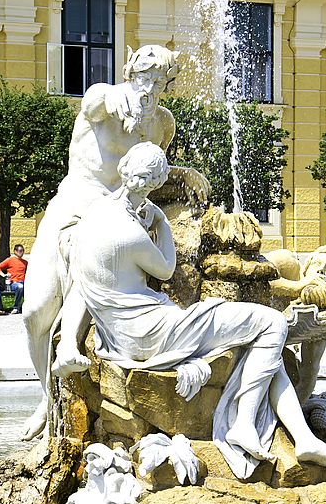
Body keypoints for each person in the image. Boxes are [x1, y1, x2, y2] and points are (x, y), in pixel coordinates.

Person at [23, 142, 326, 478]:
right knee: (271, 325)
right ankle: (244, 425)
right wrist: (162, 222)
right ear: (153, 184)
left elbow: (82, 286)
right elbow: (166, 268)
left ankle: (303, 436)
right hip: (158, 332)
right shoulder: (132, 234)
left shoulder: (92, 217)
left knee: (261, 348)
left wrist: (69, 343)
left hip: (122, 336)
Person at [21, 44, 209, 438]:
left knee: (89, 275)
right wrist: (116, 95)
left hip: (115, 217)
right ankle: (44, 395)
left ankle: (60, 385)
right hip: (76, 202)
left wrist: (183, 172)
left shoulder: (161, 124)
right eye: (145, 78)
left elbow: (148, 170)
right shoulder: (103, 99)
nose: (151, 88)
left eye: (160, 81)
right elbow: (93, 104)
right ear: (129, 73)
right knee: (35, 310)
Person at [0, 244, 27, 314]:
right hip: (14, 283)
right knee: (20, 287)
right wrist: (3, 275)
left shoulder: (25, 262)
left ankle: (28, 307)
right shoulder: (10, 260)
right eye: (20, 251)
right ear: (15, 251)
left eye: (22, 251)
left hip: (24, 282)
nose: (21, 252)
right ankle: (16, 307)